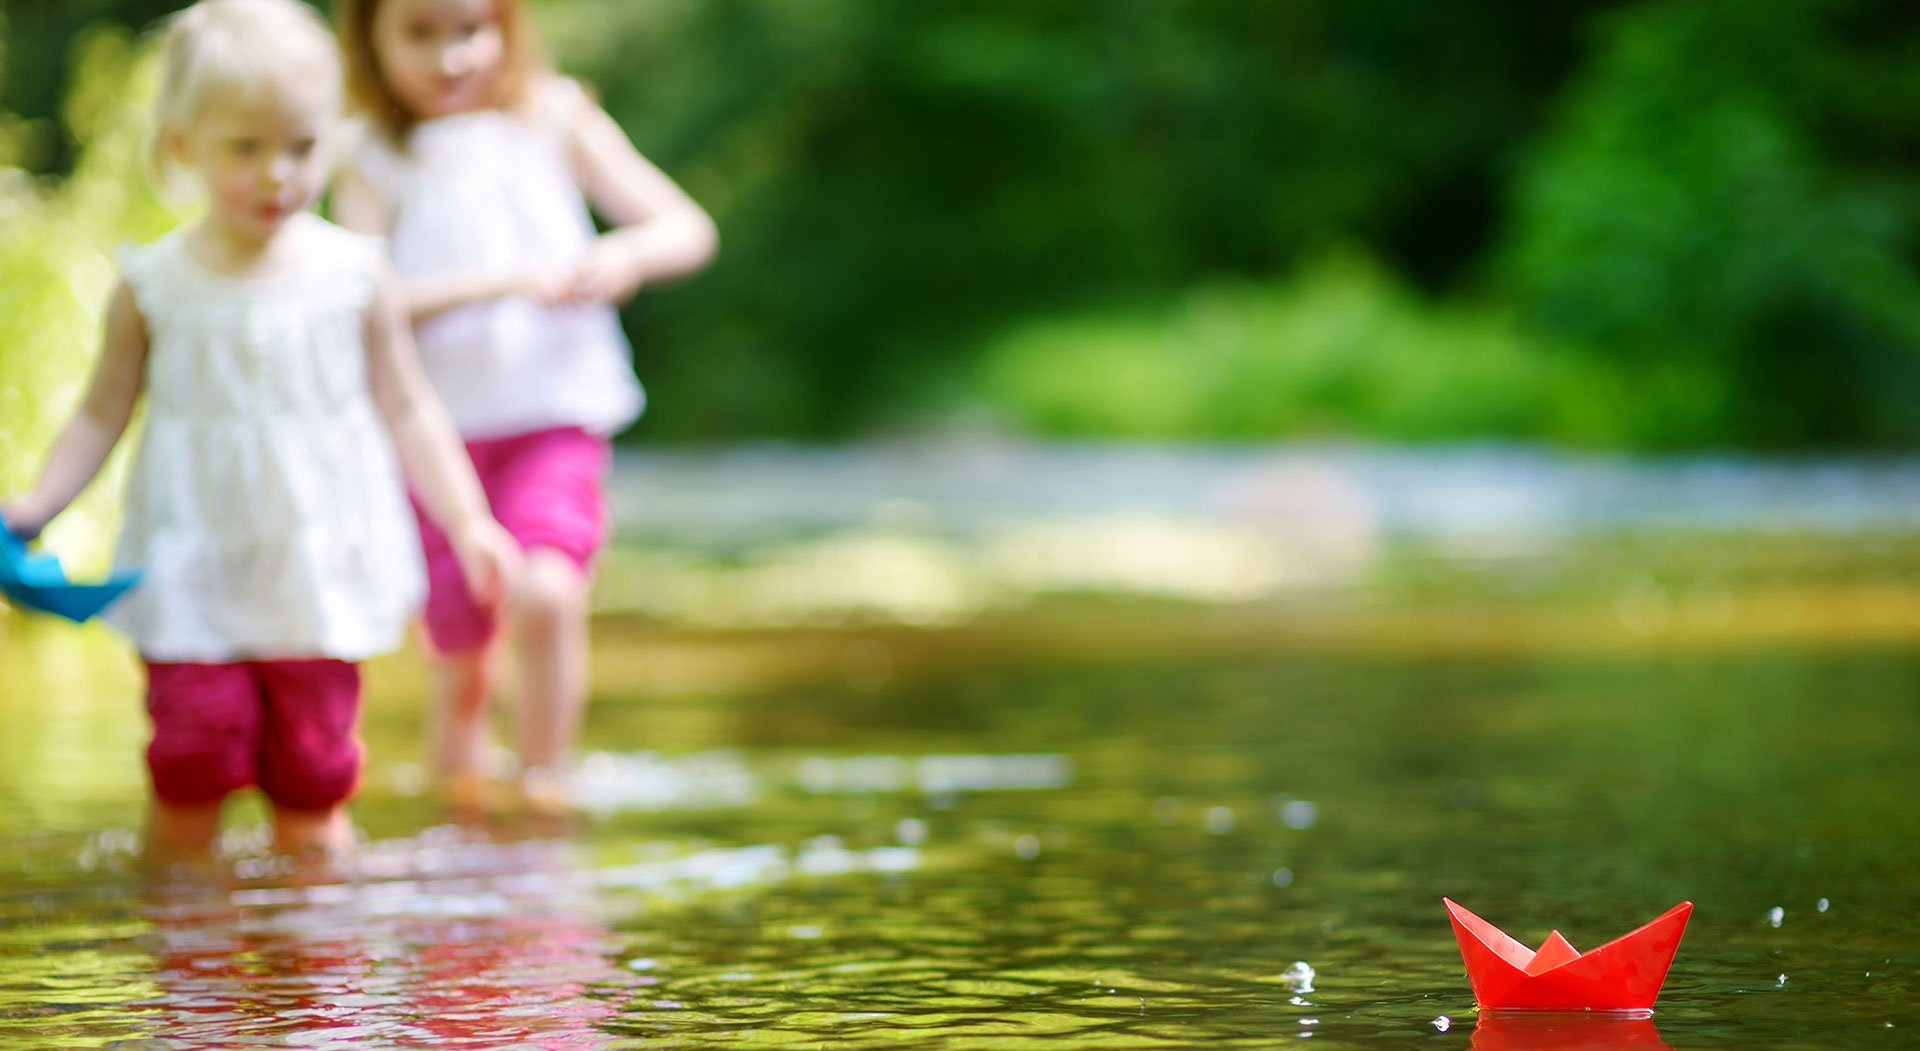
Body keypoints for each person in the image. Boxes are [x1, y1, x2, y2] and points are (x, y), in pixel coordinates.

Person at [0, 0, 518, 865]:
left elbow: (410, 408)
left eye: (302, 146)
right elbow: (102, 409)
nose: (277, 173)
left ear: (333, 136)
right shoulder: (155, 285)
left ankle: (316, 979)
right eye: (245, 148)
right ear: (182, 147)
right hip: (193, 568)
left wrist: (468, 523)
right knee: (191, 759)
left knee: (315, 774)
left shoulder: (355, 277)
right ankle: (188, 967)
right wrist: (40, 503)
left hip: (312, 579)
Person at [330, 0, 718, 815]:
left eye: (470, 30)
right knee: (463, 650)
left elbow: (687, 226)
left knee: (547, 591)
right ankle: (464, 823)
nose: (449, 56)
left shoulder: (554, 114)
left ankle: (544, 789)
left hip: (554, 416)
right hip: (437, 437)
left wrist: (626, 255)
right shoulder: (366, 153)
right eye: (420, 34)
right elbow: (364, 298)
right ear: (371, 36)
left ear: (506, 26)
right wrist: (500, 280)